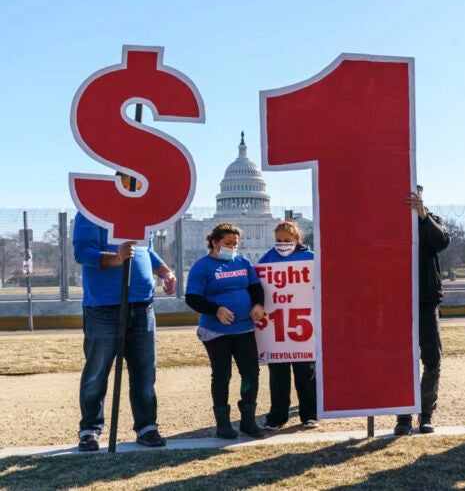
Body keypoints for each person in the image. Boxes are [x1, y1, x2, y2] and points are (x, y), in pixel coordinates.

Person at [74, 171, 177, 451]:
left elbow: (147, 250)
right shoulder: (90, 211)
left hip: (143, 304)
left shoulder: (142, 213)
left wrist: (165, 272)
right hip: (103, 306)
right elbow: (82, 252)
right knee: (97, 371)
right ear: (121, 182)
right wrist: (115, 258)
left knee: (145, 371)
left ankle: (147, 427)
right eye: (137, 184)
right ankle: (90, 430)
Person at [185, 223, 265, 439]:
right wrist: (216, 310)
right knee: (222, 374)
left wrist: (258, 304)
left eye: (235, 244)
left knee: (250, 373)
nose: (232, 247)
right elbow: (192, 298)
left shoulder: (242, 262)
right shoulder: (202, 266)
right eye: (228, 243)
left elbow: (255, 287)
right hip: (215, 331)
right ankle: (223, 424)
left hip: (244, 329)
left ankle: (248, 420)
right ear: (215, 242)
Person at [394, 185, 451, 435]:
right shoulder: (390, 223)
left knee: (432, 359)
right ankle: (403, 416)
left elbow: (441, 242)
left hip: (426, 301)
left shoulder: (431, 220)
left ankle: (426, 414)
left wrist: (422, 215)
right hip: (397, 301)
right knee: (402, 361)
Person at [258, 220, 318, 430]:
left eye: (287, 240)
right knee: (278, 377)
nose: (282, 244)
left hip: (303, 328)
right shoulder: (267, 259)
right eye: (278, 240)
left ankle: (310, 414)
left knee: (306, 375)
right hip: (278, 330)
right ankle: (276, 417)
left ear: (297, 239)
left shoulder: (311, 259)